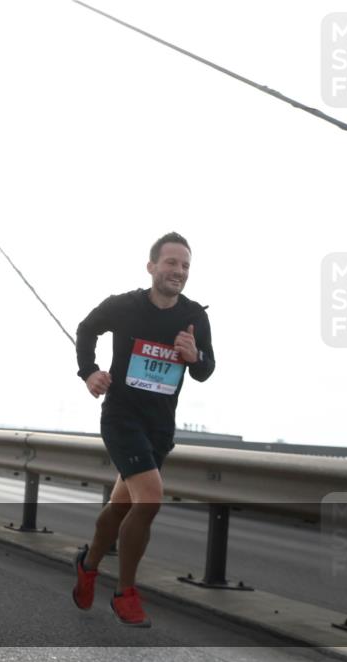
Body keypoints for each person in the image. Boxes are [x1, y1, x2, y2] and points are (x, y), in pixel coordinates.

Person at [72, 232, 215, 628]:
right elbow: (86, 329)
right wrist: (89, 373)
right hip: (121, 418)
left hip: (159, 428)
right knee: (149, 499)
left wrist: (194, 355)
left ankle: (88, 564)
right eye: (171, 263)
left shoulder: (193, 317)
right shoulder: (125, 306)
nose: (178, 271)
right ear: (152, 266)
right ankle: (126, 592)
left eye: (185, 265)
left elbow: (206, 370)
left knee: (121, 506)